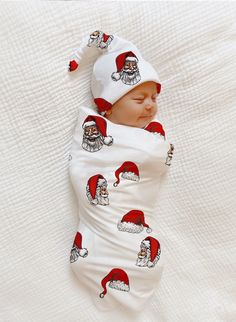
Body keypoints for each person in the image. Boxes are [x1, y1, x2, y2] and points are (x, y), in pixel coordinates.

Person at [68, 30, 174, 313]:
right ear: (108, 107)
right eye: (139, 100)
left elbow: (157, 161)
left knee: (142, 250)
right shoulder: (96, 138)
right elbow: (82, 169)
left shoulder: (151, 137)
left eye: (154, 97)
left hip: (136, 219)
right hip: (103, 222)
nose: (151, 105)